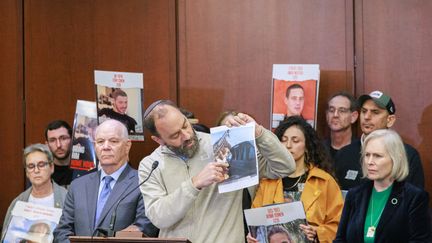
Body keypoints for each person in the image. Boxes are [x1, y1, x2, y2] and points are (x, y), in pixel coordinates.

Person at [139, 100, 296, 242]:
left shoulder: (224, 144)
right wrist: (194, 184)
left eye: (185, 125)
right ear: (158, 140)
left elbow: (285, 167)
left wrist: (260, 133)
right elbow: (159, 218)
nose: (186, 135)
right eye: (175, 135)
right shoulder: (151, 165)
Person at [53, 119, 158, 242]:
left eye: (113, 141)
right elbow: (62, 231)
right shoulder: (78, 186)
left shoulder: (143, 182)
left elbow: (144, 229)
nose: (106, 147)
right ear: (94, 146)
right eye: (100, 142)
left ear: (127, 146)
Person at [249, 116, 343, 243]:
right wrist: (253, 236)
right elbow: (256, 220)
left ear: (307, 146)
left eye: (295, 141)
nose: (288, 145)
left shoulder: (324, 181)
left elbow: (340, 224)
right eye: (283, 140)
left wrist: (318, 233)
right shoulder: (268, 181)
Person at [334, 129, 431, 242]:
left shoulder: (414, 198)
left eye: (377, 156)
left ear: (395, 158)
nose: (370, 161)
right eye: (367, 155)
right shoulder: (354, 195)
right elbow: (340, 239)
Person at [335, 90, 425, 190]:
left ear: (390, 120)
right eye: (364, 111)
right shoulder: (344, 154)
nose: (367, 117)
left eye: (375, 112)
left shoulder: (407, 155)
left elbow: (416, 201)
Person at [1, 144, 67, 241]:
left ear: (51, 167)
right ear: (27, 172)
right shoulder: (18, 202)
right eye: (31, 166)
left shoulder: (66, 198)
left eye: (41, 165)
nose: (36, 170)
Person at [324, 91, 359, 160]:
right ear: (326, 115)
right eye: (331, 110)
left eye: (342, 111)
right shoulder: (318, 149)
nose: (335, 115)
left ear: (353, 117)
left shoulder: (362, 151)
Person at [45, 120, 74, 187]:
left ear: (72, 140)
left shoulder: (83, 170)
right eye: (52, 140)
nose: (58, 145)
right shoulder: (43, 173)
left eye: (63, 138)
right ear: (47, 145)